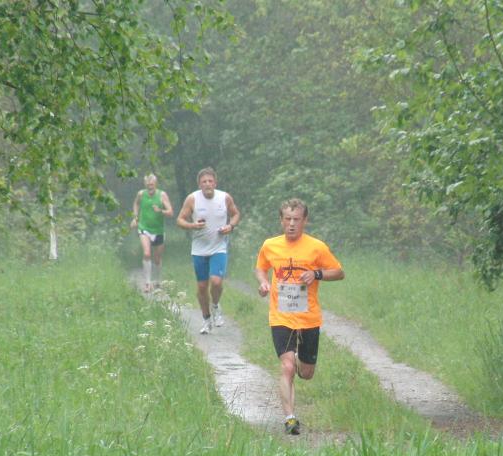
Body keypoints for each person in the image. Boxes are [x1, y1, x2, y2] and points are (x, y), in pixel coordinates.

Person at [254, 198, 344, 435]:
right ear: (281, 220)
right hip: (281, 316)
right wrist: (263, 282)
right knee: (287, 367)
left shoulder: (316, 247)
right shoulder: (270, 245)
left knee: (306, 373)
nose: (291, 224)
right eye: (287, 219)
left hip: (309, 318)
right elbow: (261, 267)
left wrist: (316, 274)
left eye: (296, 219)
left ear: (305, 221)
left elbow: (338, 272)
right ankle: (290, 418)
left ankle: (298, 360)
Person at [177, 167, 241, 334]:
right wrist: (193, 226)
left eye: (210, 181)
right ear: (199, 185)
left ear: (215, 183)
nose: (207, 184)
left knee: (217, 282)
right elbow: (180, 220)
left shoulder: (224, 197)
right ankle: (206, 320)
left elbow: (235, 214)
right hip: (199, 249)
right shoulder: (192, 199)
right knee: (202, 287)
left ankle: (216, 305)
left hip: (219, 247)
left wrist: (230, 226)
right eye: (204, 182)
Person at [131, 173, 174, 293]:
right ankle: (147, 283)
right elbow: (136, 204)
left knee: (157, 258)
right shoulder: (141, 194)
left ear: (156, 184)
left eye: (152, 184)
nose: (150, 186)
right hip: (144, 228)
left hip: (158, 230)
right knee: (146, 253)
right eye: (148, 184)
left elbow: (171, 212)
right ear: (145, 184)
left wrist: (160, 210)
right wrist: (135, 218)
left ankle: (158, 280)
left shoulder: (162, 195)